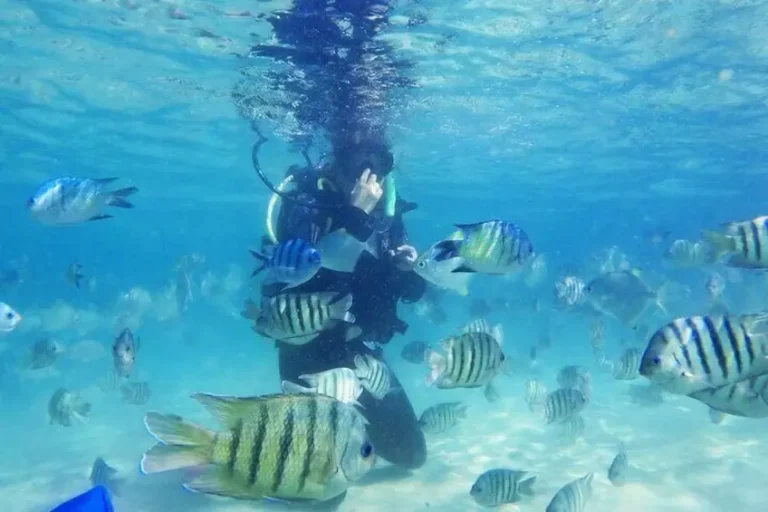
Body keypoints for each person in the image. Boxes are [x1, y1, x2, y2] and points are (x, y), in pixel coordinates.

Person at [263, 134, 428, 478]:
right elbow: (301, 279)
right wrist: (354, 217)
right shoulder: (309, 202)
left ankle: (351, 432)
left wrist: (410, 271)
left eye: (380, 163)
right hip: (305, 350)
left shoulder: (387, 210)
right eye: (359, 162)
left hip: (360, 354)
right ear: (337, 161)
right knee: (315, 489)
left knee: (410, 454)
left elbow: (404, 291)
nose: (369, 173)